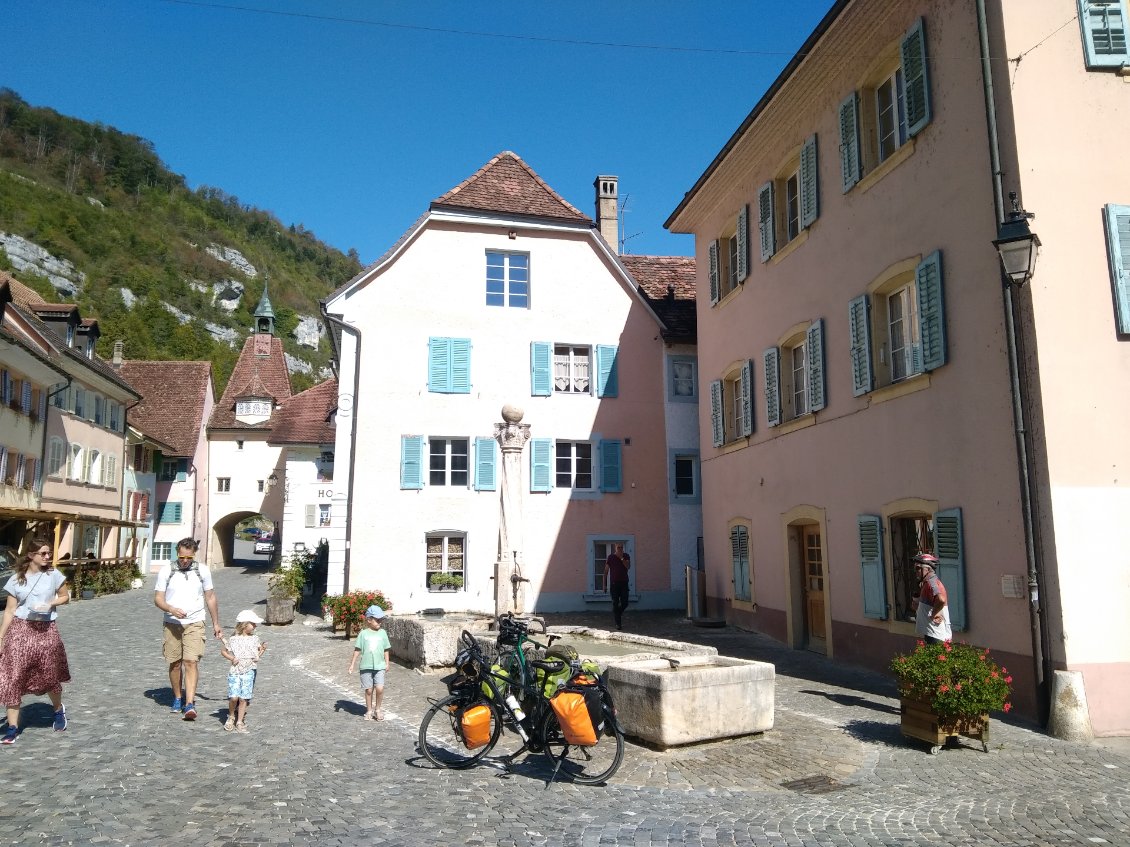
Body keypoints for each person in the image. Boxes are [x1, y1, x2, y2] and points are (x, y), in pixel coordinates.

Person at [0, 538, 71, 744]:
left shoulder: (54, 575)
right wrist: (2, 637)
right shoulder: (16, 579)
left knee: (49, 674)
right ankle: (13, 727)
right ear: (31, 555)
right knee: (13, 676)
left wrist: (51, 603)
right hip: (21, 629)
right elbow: (10, 610)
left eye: (49, 553)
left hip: (46, 629)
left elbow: (65, 596)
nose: (48, 557)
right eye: (44, 553)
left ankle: (58, 710)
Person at [153, 538, 222, 720]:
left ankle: (189, 703)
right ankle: (177, 697)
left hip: (195, 621)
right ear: (177, 553)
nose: (185, 560)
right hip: (172, 623)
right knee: (175, 663)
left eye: (189, 557)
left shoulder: (202, 571)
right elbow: (158, 598)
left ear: (194, 554)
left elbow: (211, 597)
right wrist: (171, 609)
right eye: (181, 556)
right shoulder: (166, 571)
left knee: (191, 661)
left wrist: (216, 623)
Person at [219, 609, 267, 733]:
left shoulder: (255, 638)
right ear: (245, 625)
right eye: (253, 623)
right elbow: (224, 651)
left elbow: (256, 656)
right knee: (234, 697)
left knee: (244, 697)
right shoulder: (234, 639)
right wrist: (232, 658)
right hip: (235, 671)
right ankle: (231, 716)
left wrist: (262, 650)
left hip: (249, 670)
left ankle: (240, 721)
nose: (255, 626)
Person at [347, 605, 390, 721]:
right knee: (369, 690)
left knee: (380, 688)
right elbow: (357, 650)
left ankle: (378, 709)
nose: (380, 622)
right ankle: (369, 710)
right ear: (369, 620)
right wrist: (352, 664)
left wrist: (387, 663)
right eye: (377, 619)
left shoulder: (383, 633)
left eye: (381, 619)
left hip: (380, 666)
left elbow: (386, 649)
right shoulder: (363, 634)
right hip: (366, 666)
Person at [911, 552, 951, 644]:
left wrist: (934, 614)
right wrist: (918, 608)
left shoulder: (931, 583)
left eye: (918, 568)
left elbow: (941, 600)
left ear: (927, 570)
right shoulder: (926, 583)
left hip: (936, 634)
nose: (915, 571)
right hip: (931, 632)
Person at [604, 543, 631, 630]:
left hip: (624, 583)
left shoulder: (626, 556)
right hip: (614, 584)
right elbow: (605, 572)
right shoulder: (611, 557)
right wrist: (604, 585)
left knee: (625, 603)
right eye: (618, 547)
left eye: (621, 547)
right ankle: (618, 624)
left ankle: (617, 614)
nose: (620, 549)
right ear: (615, 548)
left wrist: (621, 558)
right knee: (615, 603)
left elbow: (628, 566)